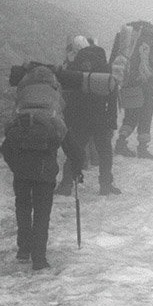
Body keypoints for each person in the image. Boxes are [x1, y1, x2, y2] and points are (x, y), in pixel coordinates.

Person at [0, 64, 66, 270]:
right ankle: (39, 258)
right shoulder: (54, 102)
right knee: (42, 211)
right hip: (45, 169)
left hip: (21, 168)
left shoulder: (22, 98)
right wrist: (77, 166)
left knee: (23, 205)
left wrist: (15, 165)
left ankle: (23, 249)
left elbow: (6, 144)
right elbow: (67, 139)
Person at [57, 37, 120, 196]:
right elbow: (112, 100)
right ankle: (105, 185)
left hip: (80, 118)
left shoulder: (75, 69)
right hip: (100, 118)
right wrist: (112, 123)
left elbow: (68, 96)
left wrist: (68, 120)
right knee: (105, 153)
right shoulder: (106, 70)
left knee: (74, 151)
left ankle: (66, 185)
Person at [114, 26, 153, 159]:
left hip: (129, 85)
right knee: (145, 117)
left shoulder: (135, 45)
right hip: (144, 89)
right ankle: (142, 149)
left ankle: (120, 143)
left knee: (130, 117)